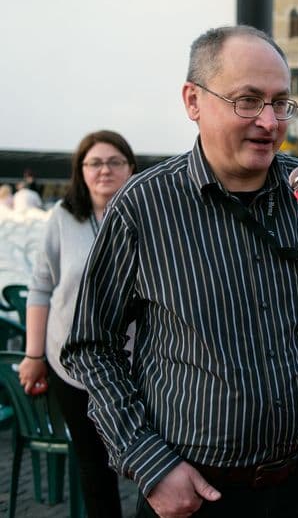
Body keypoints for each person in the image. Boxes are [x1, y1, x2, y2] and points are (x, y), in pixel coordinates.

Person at [61, 25, 298, 518]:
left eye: (281, 103)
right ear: (193, 101)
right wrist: (148, 461)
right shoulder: (142, 205)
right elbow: (90, 345)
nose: (269, 122)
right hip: (192, 494)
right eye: (247, 101)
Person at [19, 130, 136, 517]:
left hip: (138, 364)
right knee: (93, 466)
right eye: (95, 163)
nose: (105, 170)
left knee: (156, 466)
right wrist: (33, 355)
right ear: (80, 171)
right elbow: (41, 289)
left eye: (115, 161)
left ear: (131, 168)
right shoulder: (63, 217)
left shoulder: (149, 217)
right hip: (71, 365)